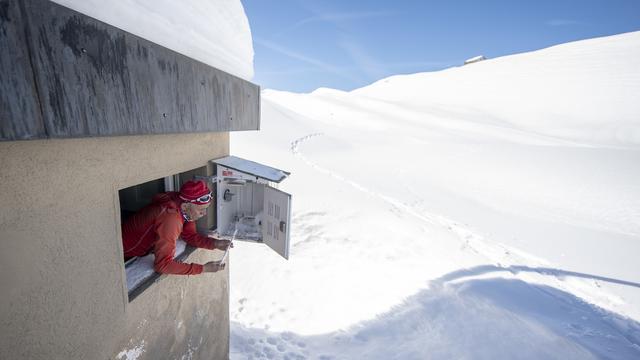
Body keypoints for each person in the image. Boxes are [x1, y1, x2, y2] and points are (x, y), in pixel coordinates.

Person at [122, 179, 231, 274]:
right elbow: (163, 265)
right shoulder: (171, 218)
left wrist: (215, 243)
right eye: (201, 209)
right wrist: (203, 269)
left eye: (206, 208)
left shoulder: (182, 204)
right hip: (123, 254)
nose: (204, 213)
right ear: (185, 206)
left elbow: (189, 236)